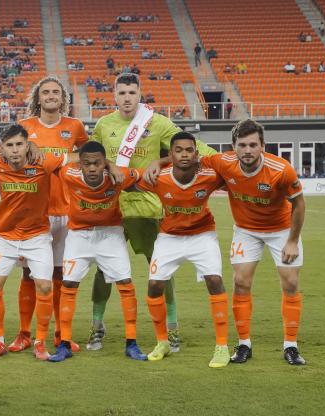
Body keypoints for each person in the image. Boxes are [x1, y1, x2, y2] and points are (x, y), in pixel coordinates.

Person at [87, 72, 216, 352]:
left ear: (139, 94)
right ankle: (97, 326)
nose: (127, 98)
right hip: (111, 208)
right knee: (103, 270)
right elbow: (92, 156)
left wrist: (163, 159)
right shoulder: (103, 124)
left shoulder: (156, 122)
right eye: (121, 93)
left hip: (148, 207)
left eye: (132, 93)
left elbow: (190, 148)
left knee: (160, 270)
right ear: (114, 95)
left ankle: (172, 328)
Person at [0, 124, 122, 360]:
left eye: (19, 145)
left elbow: (80, 156)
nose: (14, 151)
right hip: (5, 237)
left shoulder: (43, 161)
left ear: (27, 146)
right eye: (9, 146)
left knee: (45, 286)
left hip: (37, 237)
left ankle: (40, 342)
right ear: (2, 148)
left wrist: (110, 164)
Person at [198, 119, 306, 365]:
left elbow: (299, 203)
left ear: (262, 146)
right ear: (233, 146)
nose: (248, 150)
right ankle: (244, 344)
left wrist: (292, 240)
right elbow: (192, 156)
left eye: (253, 145)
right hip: (246, 230)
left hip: (281, 230)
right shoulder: (223, 162)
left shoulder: (281, 169)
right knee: (241, 281)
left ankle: (291, 346)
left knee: (291, 282)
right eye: (242, 145)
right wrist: (157, 164)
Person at [8, 77, 88, 354]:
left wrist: (64, 160)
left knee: (60, 274)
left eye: (56, 92)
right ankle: (24, 333)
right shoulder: (25, 128)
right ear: (38, 98)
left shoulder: (74, 127)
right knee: (29, 274)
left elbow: (86, 156)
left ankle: (59, 333)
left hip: (66, 212)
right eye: (46, 92)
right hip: (34, 212)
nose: (51, 96)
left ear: (63, 98)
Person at [137, 131, 230, 368]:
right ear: (171, 154)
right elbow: (126, 181)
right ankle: (162, 342)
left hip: (202, 235)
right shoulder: (158, 177)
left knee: (215, 281)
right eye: (179, 150)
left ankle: (221, 346)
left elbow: (235, 176)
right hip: (170, 237)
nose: (184, 154)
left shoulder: (210, 175)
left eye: (189, 150)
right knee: (154, 285)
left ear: (196, 154)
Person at [49, 141, 146, 362]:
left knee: (125, 284)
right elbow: (53, 162)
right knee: (69, 284)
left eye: (97, 163)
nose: (92, 168)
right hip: (78, 236)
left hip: (110, 234)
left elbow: (145, 174)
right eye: (87, 164)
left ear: (104, 164)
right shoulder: (68, 173)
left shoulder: (117, 177)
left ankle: (131, 343)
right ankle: (64, 344)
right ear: (79, 164)